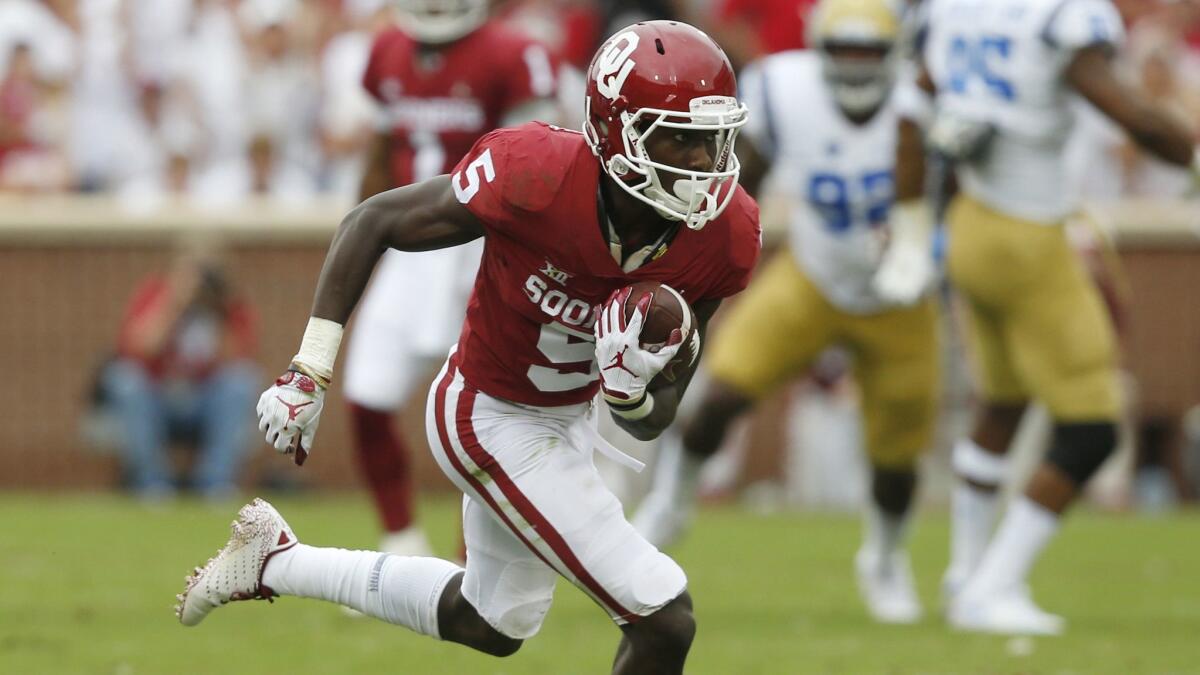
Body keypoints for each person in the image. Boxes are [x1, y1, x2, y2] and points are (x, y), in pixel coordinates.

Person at [176, 21, 760, 674]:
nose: (705, 165)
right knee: (663, 614)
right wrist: (309, 367)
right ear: (617, 130)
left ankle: (277, 560)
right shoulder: (535, 174)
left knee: (490, 621)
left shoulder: (725, 236)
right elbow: (372, 219)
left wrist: (631, 388)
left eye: (712, 141)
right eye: (681, 139)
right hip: (486, 412)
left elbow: (655, 416)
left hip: (567, 420)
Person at [632, 0, 940, 625]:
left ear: (894, 55)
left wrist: (928, 240)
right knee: (719, 396)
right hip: (815, 273)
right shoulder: (784, 88)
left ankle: (883, 559)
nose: (855, 68)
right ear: (820, 50)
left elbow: (954, 185)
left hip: (902, 294)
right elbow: (742, 176)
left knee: (896, 459)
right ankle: (671, 506)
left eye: (868, 53)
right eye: (843, 52)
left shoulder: (923, 103)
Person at [902, 0, 1200, 635]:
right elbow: (1135, 117)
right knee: (1093, 427)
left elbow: (919, 93)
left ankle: (965, 575)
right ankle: (995, 586)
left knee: (1002, 405)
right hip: (1027, 233)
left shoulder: (952, 11)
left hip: (971, 222)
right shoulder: (1062, 14)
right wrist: (1193, 156)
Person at [340, 0, 561, 558]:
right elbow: (384, 151)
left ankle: (476, 559)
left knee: (485, 407)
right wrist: (362, 230)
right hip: (409, 246)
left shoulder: (514, 53)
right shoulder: (387, 50)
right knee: (367, 393)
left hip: (486, 247)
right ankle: (401, 543)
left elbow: (541, 161)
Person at [102, 243, 259, 500]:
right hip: (158, 397)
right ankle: (154, 486)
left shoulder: (229, 305)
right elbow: (138, 348)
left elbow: (237, 359)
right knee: (125, 379)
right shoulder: (156, 293)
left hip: (205, 400)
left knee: (241, 381)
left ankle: (215, 485)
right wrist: (175, 303)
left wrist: (217, 309)